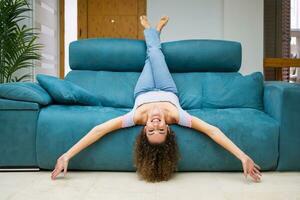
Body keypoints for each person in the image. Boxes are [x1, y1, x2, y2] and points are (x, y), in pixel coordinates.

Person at [51, 15, 262, 183]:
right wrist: (243, 156)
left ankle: (154, 32)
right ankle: (154, 33)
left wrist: (67, 155)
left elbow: (99, 130)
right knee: (155, 53)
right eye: (161, 130)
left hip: (142, 90)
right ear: (168, 129)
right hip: (166, 86)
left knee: (151, 56)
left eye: (151, 131)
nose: (155, 124)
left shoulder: (136, 117)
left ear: (144, 130)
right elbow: (212, 131)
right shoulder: (177, 116)